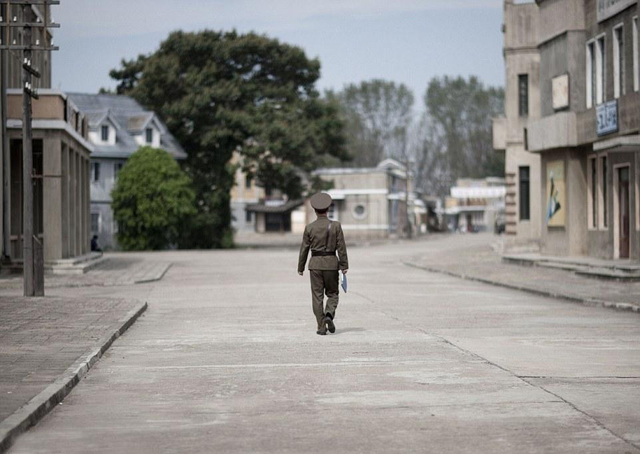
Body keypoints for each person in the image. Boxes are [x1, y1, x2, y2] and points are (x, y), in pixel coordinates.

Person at [298, 193, 349, 335]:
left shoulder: (309, 228)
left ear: (315, 210)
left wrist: (300, 267)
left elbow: (304, 249)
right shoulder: (336, 226)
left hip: (314, 265)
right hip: (332, 264)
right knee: (333, 293)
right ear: (328, 208)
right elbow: (341, 247)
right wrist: (344, 266)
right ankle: (329, 314)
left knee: (317, 296)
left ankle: (321, 326)